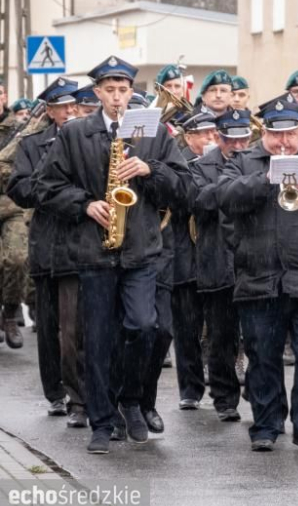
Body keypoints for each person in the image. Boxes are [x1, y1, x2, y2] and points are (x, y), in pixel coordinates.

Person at [36, 55, 190, 455]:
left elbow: (184, 186)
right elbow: (45, 187)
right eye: (110, 90)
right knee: (99, 339)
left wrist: (150, 169)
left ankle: (133, 400)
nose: (118, 98)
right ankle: (102, 423)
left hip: (140, 248)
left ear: (131, 92)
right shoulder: (74, 134)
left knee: (143, 327)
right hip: (93, 251)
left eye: (124, 90)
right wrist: (85, 204)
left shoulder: (153, 133)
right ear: (97, 93)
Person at [218, 94, 298, 453]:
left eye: (291, 135)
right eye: (276, 135)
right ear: (263, 132)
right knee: (263, 355)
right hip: (259, 278)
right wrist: (266, 178)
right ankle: (267, 425)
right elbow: (223, 197)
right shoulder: (242, 161)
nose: (284, 143)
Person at [6, 78, 87, 425]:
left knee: (72, 328)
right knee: (49, 322)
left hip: (78, 243)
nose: (70, 112)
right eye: (63, 107)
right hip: (45, 241)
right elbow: (19, 188)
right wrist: (49, 187)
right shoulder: (32, 143)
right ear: (50, 110)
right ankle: (54, 391)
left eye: (74, 106)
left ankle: (77, 397)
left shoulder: (87, 140)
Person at [191, 109, 252, 423]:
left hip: (253, 262)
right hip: (217, 260)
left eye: (244, 139)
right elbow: (199, 202)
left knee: (257, 335)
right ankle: (225, 398)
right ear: (219, 137)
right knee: (221, 336)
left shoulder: (258, 161)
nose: (238, 146)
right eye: (231, 140)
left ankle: (258, 390)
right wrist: (236, 185)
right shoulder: (202, 167)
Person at [171, 112, 215, 410]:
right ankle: (190, 388)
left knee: (219, 328)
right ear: (188, 137)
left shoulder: (224, 163)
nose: (211, 139)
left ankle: (222, 385)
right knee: (186, 328)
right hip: (185, 254)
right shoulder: (179, 163)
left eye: (214, 133)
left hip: (214, 254)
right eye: (204, 134)